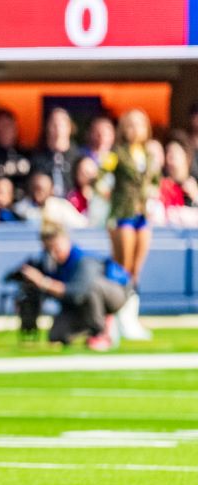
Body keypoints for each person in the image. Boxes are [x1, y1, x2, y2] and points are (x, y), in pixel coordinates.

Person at [18, 221, 129, 351]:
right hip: (81, 305)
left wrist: (43, 282)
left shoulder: (83, 260)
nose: (53, 253)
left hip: (115, 296)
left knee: (91, 287)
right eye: (49, 249)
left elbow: (78, 293)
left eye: (56, 247)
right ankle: (94, 325)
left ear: (65, 240)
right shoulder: (51, 264)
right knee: (56, 335)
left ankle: (102, 332)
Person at [104, 108, 160, 340]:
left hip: (142, 214)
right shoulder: (116, 153)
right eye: (130, 124)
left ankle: (131, 318)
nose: (135, 130)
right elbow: (100, 177)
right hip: (123, 213)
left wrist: (151, 196)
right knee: (123, 268)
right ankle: (117, 318)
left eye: (139, 124)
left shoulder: (147, 155)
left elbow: (155, 181)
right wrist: (109, 196)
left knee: (136, 270)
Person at [30, 107, 79, 198]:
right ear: (47, 127)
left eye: (62, 124)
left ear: (70, 127)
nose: (57, 128)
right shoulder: (36, 157)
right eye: (54, 124)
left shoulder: (78, 157)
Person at [156, 132, 198, 228]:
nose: (168, 159)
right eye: (167, 154)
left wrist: (196, 195)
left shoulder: (195, 183)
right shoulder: (161, 185)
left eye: (173, 154)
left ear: (186, 156)